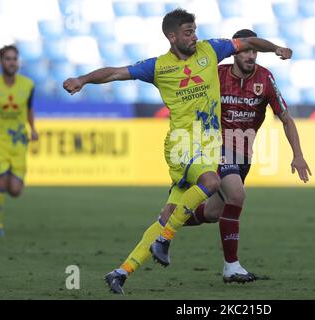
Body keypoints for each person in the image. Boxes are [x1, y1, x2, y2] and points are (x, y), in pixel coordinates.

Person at [62, 8, 292, 294]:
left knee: (174, 213)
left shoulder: (210, 50)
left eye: (194, 30)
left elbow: (248, 43)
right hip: (183, 144)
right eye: (188, 32)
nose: (194, 37)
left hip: (208, 148)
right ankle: (167, 238)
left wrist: (276, 48)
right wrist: (83, 79)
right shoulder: (158, 67)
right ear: (172, 36)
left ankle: (121, 272)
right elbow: (116, 72)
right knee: (211, 182)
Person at [162, 29, 311, 283]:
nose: (250, 56)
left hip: (243, 152)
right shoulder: (216, 75)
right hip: (215, 146)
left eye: (254, 51)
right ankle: (231, 267)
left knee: (211, 214)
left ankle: (167, 222)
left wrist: (298, 155)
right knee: (237, 194)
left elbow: (285, 118)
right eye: (245, 51)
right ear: (234, 53)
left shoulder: (265, 79)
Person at [0, 45, 38, 237]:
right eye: (7, 58)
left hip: (18, 141)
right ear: (1, 62)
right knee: (0, 183)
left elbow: (29, 109)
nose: (11, 62)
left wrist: (33, 129)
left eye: (14, 58)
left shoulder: (28, 84)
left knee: (14, 190)